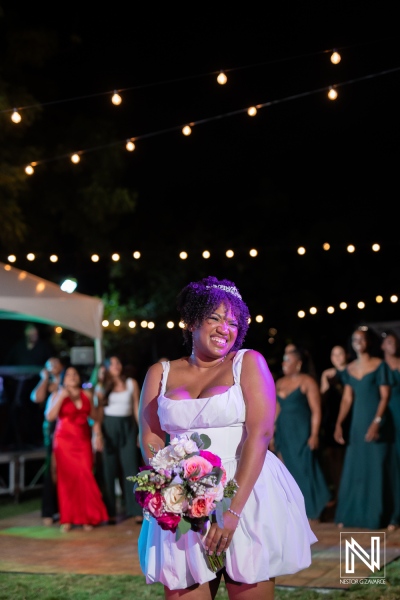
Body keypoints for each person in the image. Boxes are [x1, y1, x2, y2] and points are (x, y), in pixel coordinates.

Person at [137, 275, 317, 600]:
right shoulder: (159, 373)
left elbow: (260, 435)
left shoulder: (247, 363)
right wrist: (170, 486)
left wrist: (232, 511)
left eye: (233, 322)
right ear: (191, 322)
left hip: (245, 493)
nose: (225, 329)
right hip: (183, 499)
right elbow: (150, 433)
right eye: (215, 318)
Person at [334, 326, 400, 530]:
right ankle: (352, 514)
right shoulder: (350, 368)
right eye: (355, 340)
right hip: (357, 423)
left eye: (361, 340)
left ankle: (386, 516)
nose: (358, 343)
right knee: (357, 467)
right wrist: (339, 423)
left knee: (379, 467)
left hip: (377, 421)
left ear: (368, 342)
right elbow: (347, 398)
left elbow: (385, 396)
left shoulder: (379, 365)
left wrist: (377, 421)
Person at [45, 365, 108, 531]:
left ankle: (88, 517)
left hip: (83, 439)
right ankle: (67, 518)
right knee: (66, 480)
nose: (72, 377)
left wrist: (98, 434)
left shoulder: (86, 394)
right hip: (64, 440)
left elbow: (94, 417)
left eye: (75, 374)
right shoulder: (58, 394)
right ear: (64, 379)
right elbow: (50, 416)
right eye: (69, 375)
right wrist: (62, 397)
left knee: (85, 474)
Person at [273, 344, 331, 522]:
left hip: (301, 432)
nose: (284, 363)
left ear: (298, 363)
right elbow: (275, 410)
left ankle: (313, 509)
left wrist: (314, 434)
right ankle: (293, 510)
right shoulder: (280, 382)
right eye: (283, 359)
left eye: (288, 359)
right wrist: (272, 434)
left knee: (305, 469)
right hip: (284, 432)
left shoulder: (307, 381)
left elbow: (316, 410)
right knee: (286, 471)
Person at [96, 356, 143, 524]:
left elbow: (136, 407)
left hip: (127, 426)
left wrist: (141, 431)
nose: (116, 366)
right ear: (106, 367)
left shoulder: (131, 383)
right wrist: (98, 434)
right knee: (109, 469)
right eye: (112, 364)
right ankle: (109, 511)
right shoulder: (101, 386)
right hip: (108, 426)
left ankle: (135, 509)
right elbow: (97, 412)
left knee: (130, 467)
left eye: (118, 362)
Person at [4, 323, 53, 448]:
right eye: (30, 334)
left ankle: (33, 439)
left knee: (34, 412)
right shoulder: (18, 347)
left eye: (35, 333)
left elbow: (49, 364)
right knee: (16, 410)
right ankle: (16, 439)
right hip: (18, 386)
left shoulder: (43, 347)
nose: (33, 336)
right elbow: (8, 364)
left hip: (36, 385)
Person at [30, 356, 66, 525]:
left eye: (55, 363)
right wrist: (44, 379)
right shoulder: (49, 384)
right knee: (51, 469)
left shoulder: (67, 382)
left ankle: (64, 509)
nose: (52, 366)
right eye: (48, 364)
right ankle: (49, 510)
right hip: (52, 429)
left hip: (70, 429)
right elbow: (36, 398)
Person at [319, 345, 350, 504]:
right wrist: (325, 380)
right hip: (330, 422)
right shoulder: (327, 374)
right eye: (334, 354)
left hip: (350, 420)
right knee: (334, 463)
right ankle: (339, 498)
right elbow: (323, 400)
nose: (337, 357)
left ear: (346, 355)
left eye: (340, 353)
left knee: (348, 461)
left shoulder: (352, 371)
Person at [381, 330, 400, 463]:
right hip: (386, 410)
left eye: (394, 342)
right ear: (382, 346)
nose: (392, 345)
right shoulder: (379, 366)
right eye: (388, 342)